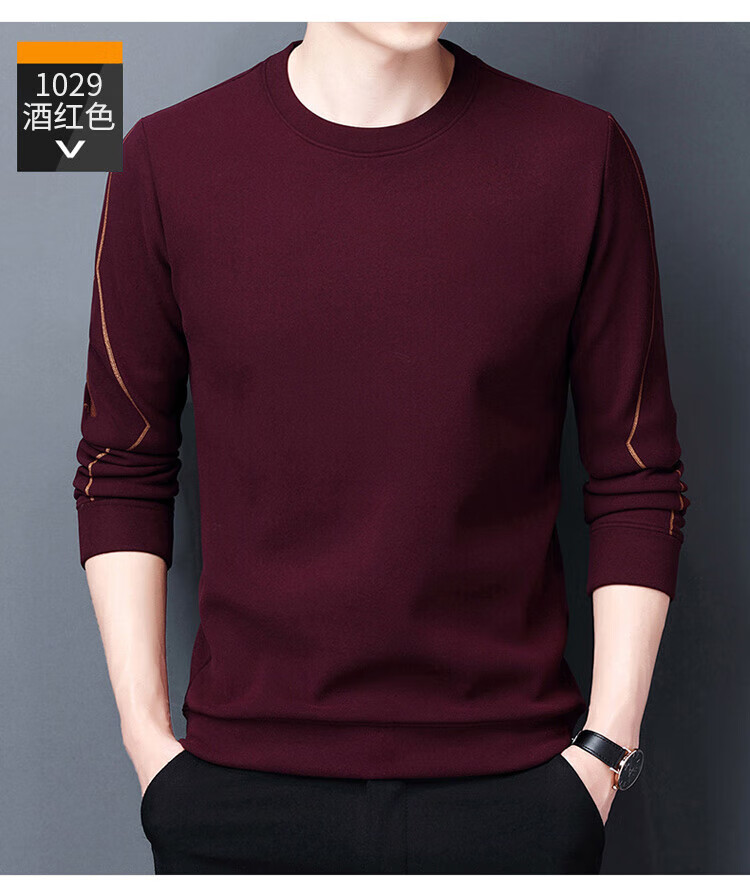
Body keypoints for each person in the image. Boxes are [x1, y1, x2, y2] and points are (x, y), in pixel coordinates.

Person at [73, 22, 689, 875]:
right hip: (239, 794)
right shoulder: (167, 159)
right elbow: (121, 465)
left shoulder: (579, 156)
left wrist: (604, 752)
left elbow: (638, 475)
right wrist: (150, 747)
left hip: (514, 795)